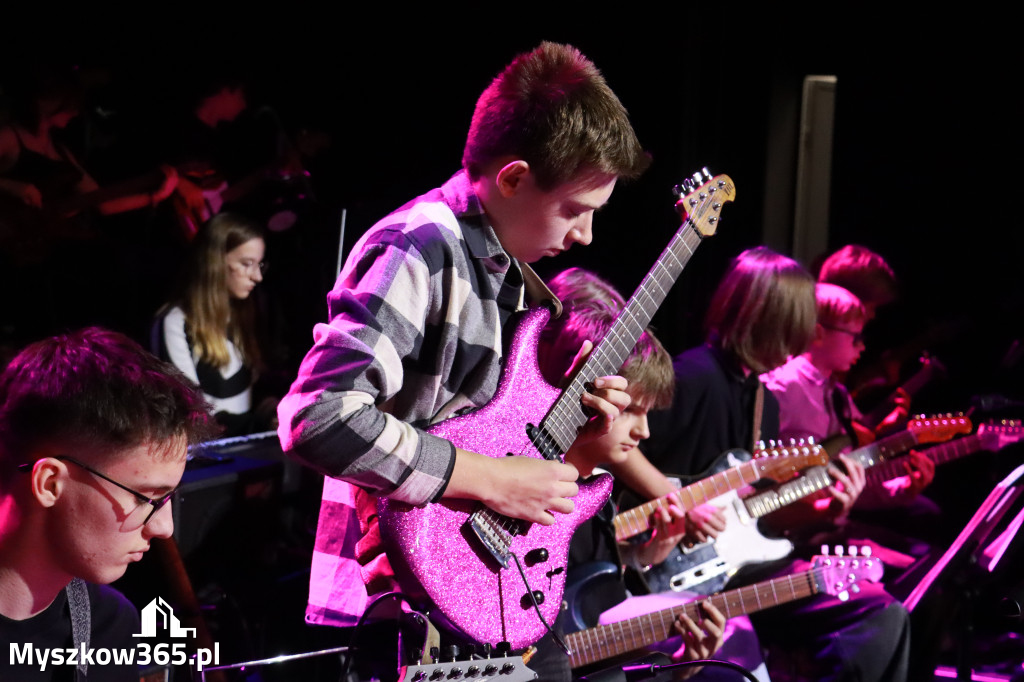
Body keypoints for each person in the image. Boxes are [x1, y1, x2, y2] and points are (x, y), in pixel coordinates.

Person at [277, 41, 648, 647]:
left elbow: (479, 424)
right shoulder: (417, 247)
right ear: (514, 178)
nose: (585, 235)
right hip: (407, 593)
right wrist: (492, 479)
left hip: (491, 580)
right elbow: (317, 418)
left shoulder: (512, 271)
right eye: (576, 210)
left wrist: (563, 419)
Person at [617, 248, 911, 681]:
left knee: (879, 611)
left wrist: (823, 511)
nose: (806, 339)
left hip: (738, 565)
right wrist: (677, 500)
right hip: (663, 570)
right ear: (773, 322)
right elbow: (615, 447)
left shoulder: (762, 402)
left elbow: (748, 510)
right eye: (799, 326)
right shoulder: (693, 377)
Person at [537, 268, 765, 681]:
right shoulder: (539, 495)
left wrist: (650, 555)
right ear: (589, 398)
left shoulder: (597, 495)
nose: (644, 432)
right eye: (633, 412)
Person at [0, 327, 209, 681]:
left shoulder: (111, 627)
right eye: (146, 497)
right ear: (50, 483)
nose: (163, 528)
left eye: (168, 497)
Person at [154, 212, 277, 436]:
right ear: (215, 262)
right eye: (246, 264)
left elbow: (257, 394)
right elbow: (192, 413)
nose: (257, 277)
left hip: (253, 452)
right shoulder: (176, 321)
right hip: (211, 458)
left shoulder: (245, 316)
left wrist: (273, 413)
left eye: (260, 264)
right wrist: (257, 424)